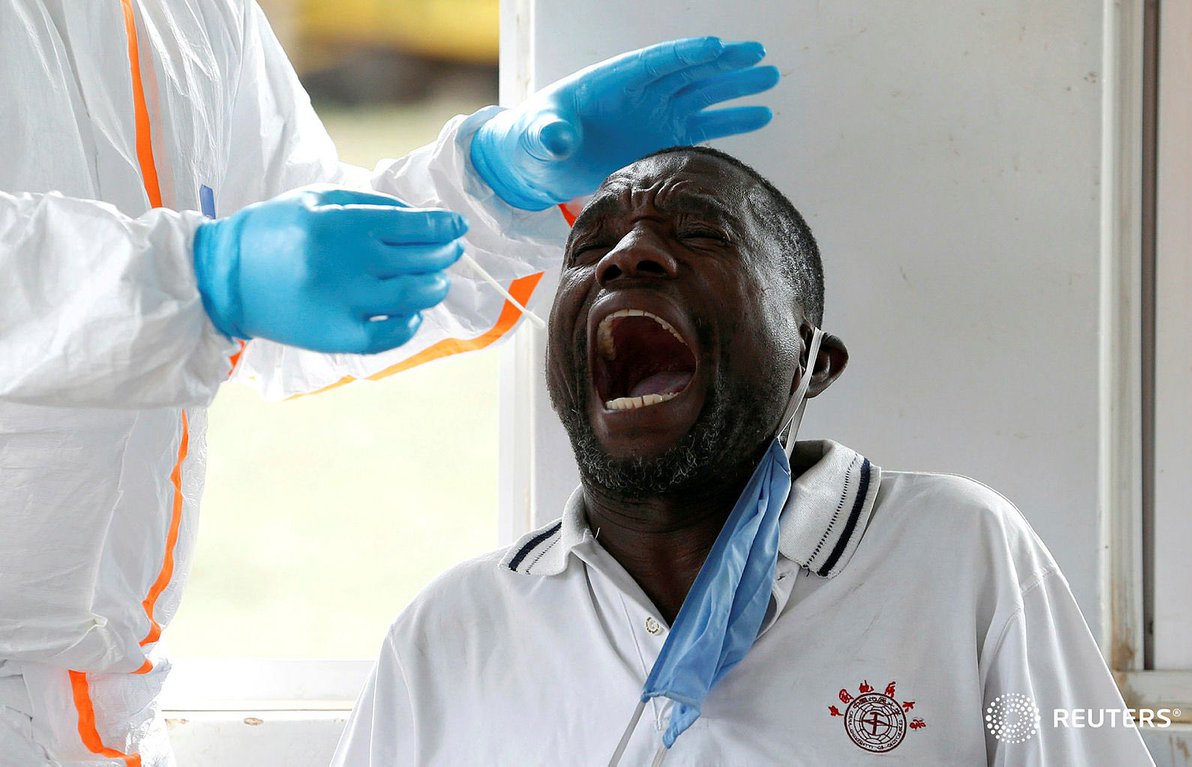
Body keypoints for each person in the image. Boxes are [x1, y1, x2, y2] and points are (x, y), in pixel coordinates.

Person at [0, 1, 781, 763]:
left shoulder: (189, 17)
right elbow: (215, 281)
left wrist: (493, 188)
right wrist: (200, 274)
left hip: (91, 712)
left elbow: (296, 267)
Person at [332, 147, 1156, 766]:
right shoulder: (455, 631)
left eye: (699, 233)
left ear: (812, 362)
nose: (628, 256)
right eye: (590, 251)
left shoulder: (961, 552)